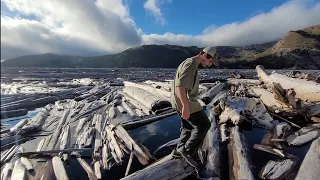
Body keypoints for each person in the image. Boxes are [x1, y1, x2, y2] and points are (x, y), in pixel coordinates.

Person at [170, 47, 218, 167]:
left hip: (179, 101)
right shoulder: (191, 64)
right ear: (205, 55)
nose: (210, 64)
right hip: (186, 102)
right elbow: (180, 87)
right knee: (204, 125)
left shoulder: (191, 63)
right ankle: (187, 151)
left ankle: (179, 150)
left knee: (187, 127)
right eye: (211, 61)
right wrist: (185, 106)